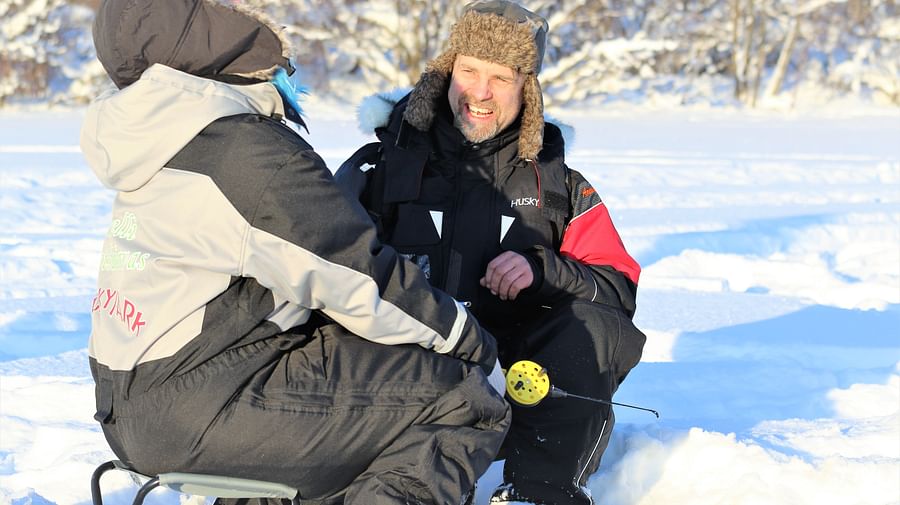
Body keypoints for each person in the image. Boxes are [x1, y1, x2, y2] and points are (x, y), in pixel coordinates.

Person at [80, 0, 510, 504]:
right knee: (461, 398)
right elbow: (355, 273)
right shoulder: (243, 149)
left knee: (346, 403)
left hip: (132, 402)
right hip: (203, 404)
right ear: (226, 36)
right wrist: (472, 343)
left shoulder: (163, 132)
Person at [336, 1, 647, 503]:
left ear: (529, 89)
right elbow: (317, 259)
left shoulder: (560, 187)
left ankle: (536, 489)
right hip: (397, 370)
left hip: (513, 381)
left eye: (501, 78)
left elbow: (617, 285)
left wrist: (542, 270)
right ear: (446, 72)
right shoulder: (380, 167)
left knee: (594, 326)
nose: (480, 93)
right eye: (469, 71)